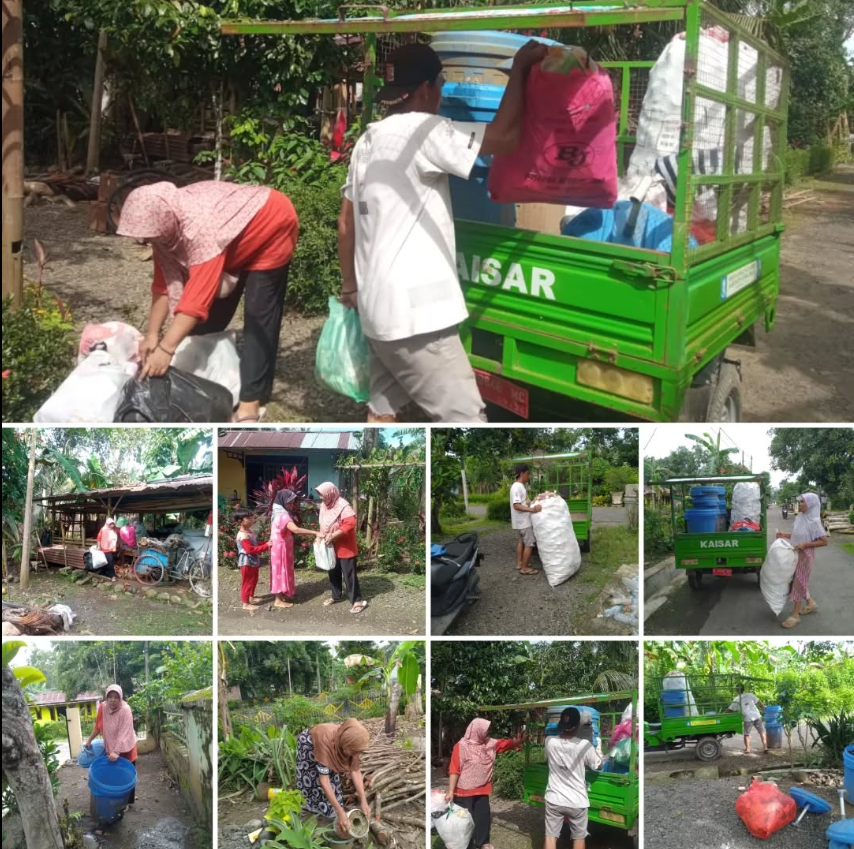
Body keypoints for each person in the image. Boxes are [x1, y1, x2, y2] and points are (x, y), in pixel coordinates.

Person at [337, 40, 549, 423]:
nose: (442, 95)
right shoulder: (426, 130)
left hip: (376, 313)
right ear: (425, 88)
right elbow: (504, 137)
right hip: (418, 321)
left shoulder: (367, 141)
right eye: (441, 85)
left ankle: (367, 459)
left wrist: (350, 288)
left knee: (382, 412)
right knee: (467, 420)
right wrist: (519, 69)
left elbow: (345, 224)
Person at [116, 181, 299, 423]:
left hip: (271, 222)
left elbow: (195, 301)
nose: (148, 241)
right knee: (204, 324)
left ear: (164, 222)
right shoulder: (167, 231)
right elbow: (163, 286)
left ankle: (251, 402)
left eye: (151, 235)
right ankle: (212, 375)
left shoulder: (199, 229)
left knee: (258, 317)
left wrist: (166, 349)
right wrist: (152, 335)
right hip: (231, 235)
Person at [446, 718, 524, 849]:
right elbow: (454, 769)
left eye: (487, 730)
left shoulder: (489, 743)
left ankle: (482, 842)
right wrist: (450, 791)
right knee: (464, 820)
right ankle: (464, 844)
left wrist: (518, 741)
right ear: (476, 730)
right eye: (485, 730)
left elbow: (505, 744)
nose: (487, 732)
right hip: (464, 790)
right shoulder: (461, 746)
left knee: (483, 817)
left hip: (482, 789)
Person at [296, 719, 372, 837]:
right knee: (312, 779)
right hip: (310, 743)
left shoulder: (352, 743)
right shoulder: (326, 743)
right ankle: (310, 808)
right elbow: (324, 781)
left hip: (331, 745)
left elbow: (356, 771)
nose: (355, 755)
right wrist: (340, 812)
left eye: (357, 752)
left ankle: (332, 809)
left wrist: (363, 801)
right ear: (345, 745)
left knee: (332, 777)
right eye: (353, 752)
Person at [544, 708, 603, 849]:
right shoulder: (585, 746)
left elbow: (548, 758)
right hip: (577, 801)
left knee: (550, 836)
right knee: (579, 838)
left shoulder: (549, 741)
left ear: (561, 724)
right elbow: (598, 765)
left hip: (554, 798)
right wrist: (597, 749)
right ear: (577, 726)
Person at [776, 491, 828, 629]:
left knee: (798, 582)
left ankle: (795, 615)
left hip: (805, 555)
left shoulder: (814, 522)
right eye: (800, 501)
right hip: (795, 552)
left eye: (803, 502)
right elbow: (797, 535)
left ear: (811, 504)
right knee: (796, 580)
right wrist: (783, 535)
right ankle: (811, 602)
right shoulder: (800, 517)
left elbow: (824, 541)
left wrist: (805, 544)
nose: (800, 504)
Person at [316, 482, 367, 614]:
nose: (320, 497)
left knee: (349, 574)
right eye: (320, 495)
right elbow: (323, 523)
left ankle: (357, 600)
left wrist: (334, 535)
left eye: (322, 494)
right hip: (330, 545)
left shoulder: (343, 506)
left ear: (330, 493)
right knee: (333, 571)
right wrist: (320, 536)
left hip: (345, 546)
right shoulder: (324, 506)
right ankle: (336, 595)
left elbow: (350, 524)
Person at [84, 685, 138, 806]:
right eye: (110, 697)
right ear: (106, 697)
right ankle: (115, 800)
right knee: (114, 774)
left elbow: (124, 733)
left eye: (116, 697)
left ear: (120, 698)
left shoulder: (125, 710)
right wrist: (89, 740)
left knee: (126, 775)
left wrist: (117, 751)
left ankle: (127, 803)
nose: (112, 700)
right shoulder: (103, 707)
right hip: (111, 747)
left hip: (126, 747)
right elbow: (98, 726)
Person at [269, 489, 318, 609]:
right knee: (280, 571)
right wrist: (315, 532)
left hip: (279, 546)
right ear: (283, 501)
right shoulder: (283, 515)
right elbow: (295, 529)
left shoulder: (277, 512)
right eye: (289, 502)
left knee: (281, 570)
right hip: (281, 547)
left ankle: (281, 594)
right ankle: (278, 600)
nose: (291, 504)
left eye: (292, 502)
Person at [235, 509, 270, 612]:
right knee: (247, 581)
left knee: (254, 579)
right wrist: (266, 546)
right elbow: (250, 549)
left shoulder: (249, 531)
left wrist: (266, 543)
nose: (251, 520)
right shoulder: (243, 535)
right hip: (246, 561)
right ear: (240, 521)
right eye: (248, 518)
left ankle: (251, 597)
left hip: (253, 560)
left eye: (251, 518)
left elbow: (255, 544)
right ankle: (245, 603)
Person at [510, 464, 542, 576]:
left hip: (520, 521)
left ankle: (520, 563)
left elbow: (523, 502)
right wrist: (533, 509)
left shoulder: (520, 486)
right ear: (522, 474)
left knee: (521, 541)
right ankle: (525, 568)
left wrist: (533, 502)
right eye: (528, 474)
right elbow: (516, 505)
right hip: (524, 521)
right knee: (530, 543)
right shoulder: (517, 487)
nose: (529, 476)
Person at [726, 684, 768, 754]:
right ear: (744, 689)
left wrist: (722, 714)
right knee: (762, 732)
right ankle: (765, 747)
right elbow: (759, 702)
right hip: (757, 715)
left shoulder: (736, 699)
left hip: (748, 718)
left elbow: (729, 709)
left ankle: (747, 749)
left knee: (746, 734)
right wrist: (764, 707)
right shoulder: (750, 695)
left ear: (736, 690)